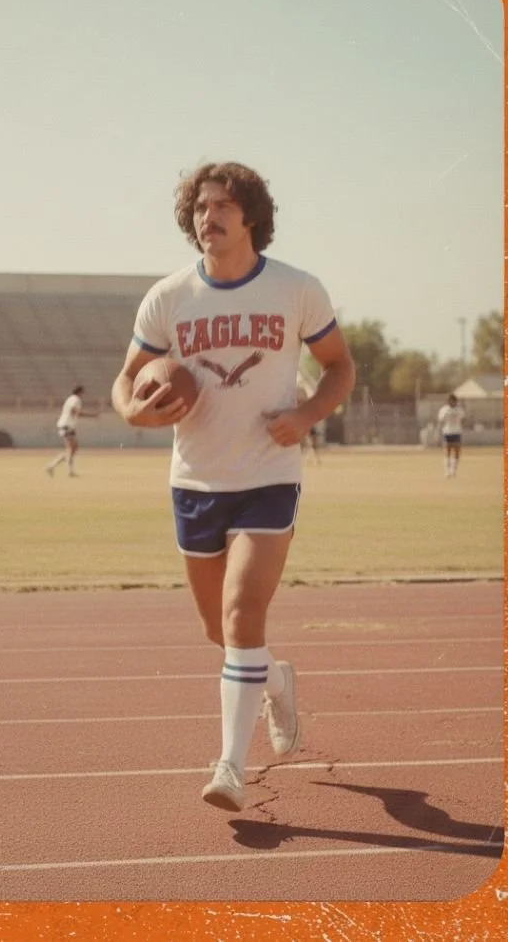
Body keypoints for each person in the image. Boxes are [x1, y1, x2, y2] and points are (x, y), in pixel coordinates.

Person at [111, 161, 356, 813]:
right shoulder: (168, 297)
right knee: (219, 631)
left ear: (250, 217)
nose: (208, 217)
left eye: (221, 205)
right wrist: (133, 411)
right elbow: (126, 378)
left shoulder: (296, 289)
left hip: (267, 475)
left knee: (242, 613)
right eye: (199, 207)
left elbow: (339, 366)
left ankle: (230, 765)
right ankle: (274, 679)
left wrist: (307, 415)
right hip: (195, 479)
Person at [44, 386, 98, 478]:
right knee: (70, 448)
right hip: (66, 426)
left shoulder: (70, 399)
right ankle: (66, 470)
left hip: (67, 426)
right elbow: (74, 411)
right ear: (80, 392)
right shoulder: (76, 399)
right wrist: (92, 415)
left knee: (72, 448)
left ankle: (53, 466)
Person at [436, 393, 466, 477]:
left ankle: (453, 470)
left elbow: (463, 419)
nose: (452, 402)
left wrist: (460, 426)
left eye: (454, 401)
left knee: (456, 452)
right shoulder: (444, 409)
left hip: (456, 432)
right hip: (447, 432)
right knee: (447, 451)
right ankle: (447, 471)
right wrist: (438, 432)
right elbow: (440, 421)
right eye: (450, 401)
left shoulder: (459, 410)